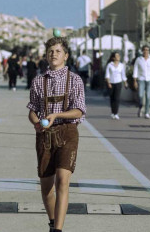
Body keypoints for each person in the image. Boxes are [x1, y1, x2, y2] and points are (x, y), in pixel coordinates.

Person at [27, 37, 86, 232]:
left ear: (66, 55)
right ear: (46, 55)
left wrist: (57, 115)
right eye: (51, 51)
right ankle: (53, 222)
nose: (54, 54)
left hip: (67, 133)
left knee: (62, 180)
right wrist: (36, 122)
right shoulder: (38, 81)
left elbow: (79, 111)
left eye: (58, 51)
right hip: (45, 136)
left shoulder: (75, 80)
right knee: (46, 188)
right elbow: (32, 110)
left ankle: (58, 230)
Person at [133, 46, 150, 118]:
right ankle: (140, 107)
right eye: (144, 50)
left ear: (149, 51)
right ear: (142, 51)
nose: (146, 51)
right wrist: (135, 81)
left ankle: (147, 112)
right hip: (141, 79)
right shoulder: (139, 59)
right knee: (140, 95)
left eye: (147, 50)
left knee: (148, 96)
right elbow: (135, 70)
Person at [104, 52, 127, 120]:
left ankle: (116, 113)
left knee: (117, 98)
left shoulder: (121, 65)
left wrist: (125, 82)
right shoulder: (109, 65)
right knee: (112, 98)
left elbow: (123, 75)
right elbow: (107, 75)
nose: (118, 57)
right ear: (113, 57)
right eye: (116, 56)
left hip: (118, 83)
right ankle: (113, 112)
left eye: (118, 56)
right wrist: (108, 83)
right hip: (111, 83)